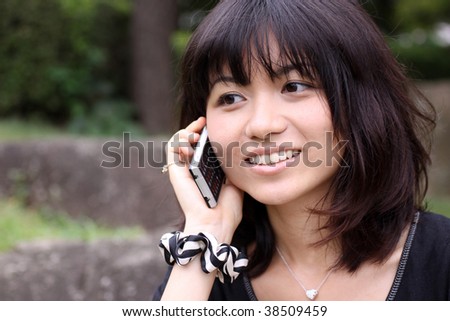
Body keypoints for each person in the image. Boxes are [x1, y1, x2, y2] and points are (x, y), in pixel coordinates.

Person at [153, 0, 450, 300]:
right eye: (230, 97)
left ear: (363, 103)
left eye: (294, 87)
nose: (261, 125)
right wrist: (207, 231)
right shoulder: (208, 265)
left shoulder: (440, 260)